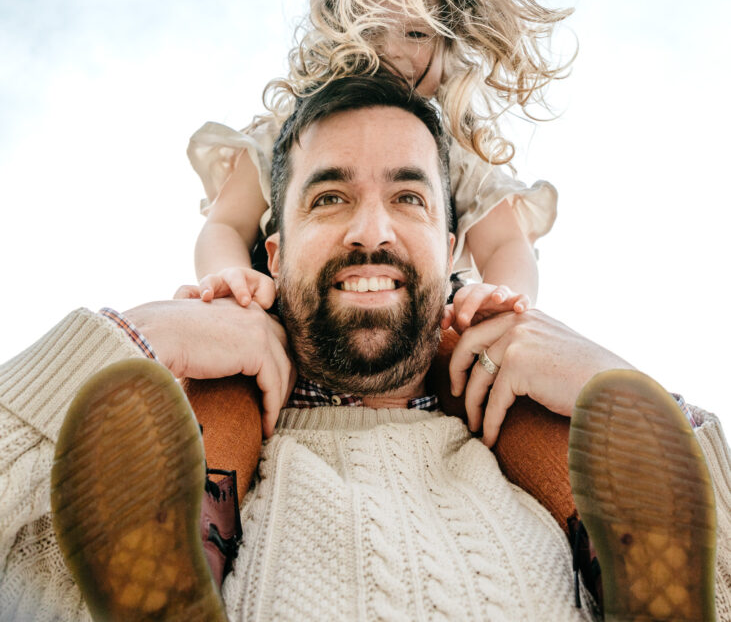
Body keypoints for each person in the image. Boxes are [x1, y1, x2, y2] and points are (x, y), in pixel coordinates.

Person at [0, 74, 728, 621]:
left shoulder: (516, 433)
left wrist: (609, 376)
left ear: (451, 253)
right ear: (273, 256)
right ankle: (196, 542)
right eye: (328, 197)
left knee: (536, 408)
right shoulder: (129, 476)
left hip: (479, 381)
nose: (371, 232)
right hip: (235, 405)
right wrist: (142, 334)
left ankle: (613, 555)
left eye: (408, 197)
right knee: (218, 398)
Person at [186, 0, 573, 320]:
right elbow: (227, 226)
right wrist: (231, 283)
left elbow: (506, 245)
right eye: (369, 30)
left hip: (415, 330)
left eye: (417, 33)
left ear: (447, 48)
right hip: (284, 318)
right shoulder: (285, 137)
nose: (393, 52)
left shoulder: (460, 155)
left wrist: (503, 306)